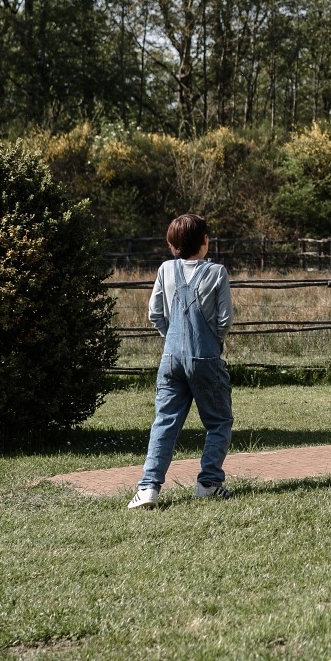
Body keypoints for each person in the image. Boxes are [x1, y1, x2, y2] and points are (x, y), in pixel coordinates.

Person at [128, 213, 235, 508]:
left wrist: (172, 338)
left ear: (172, 244)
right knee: (219, 421)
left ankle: (148, 489)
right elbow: (225, 319)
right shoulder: (217, 272)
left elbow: (155, 314)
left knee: (164, 422)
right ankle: (209, 484)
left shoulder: (165, 270)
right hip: (206, 358)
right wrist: (211, 342)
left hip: (170, 359)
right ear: (204, 242)